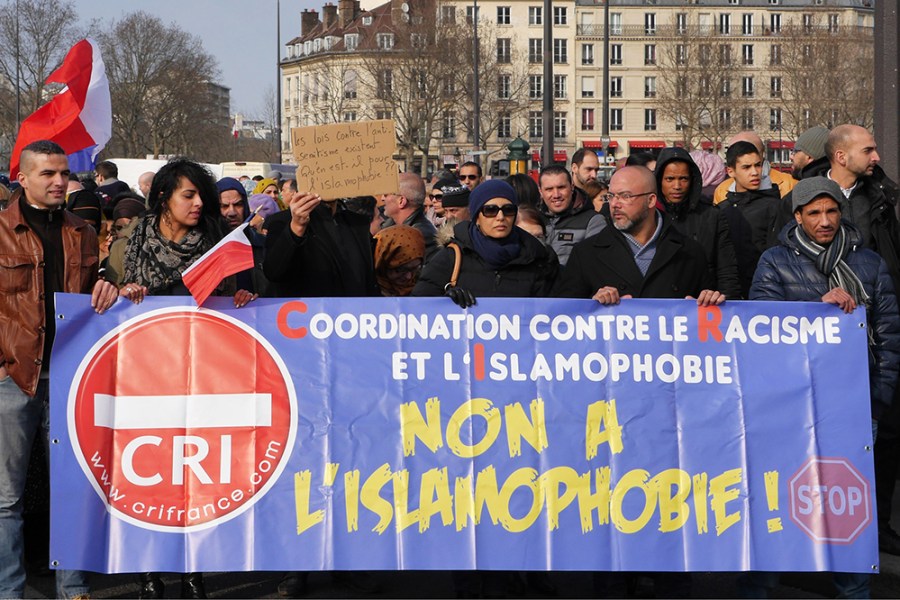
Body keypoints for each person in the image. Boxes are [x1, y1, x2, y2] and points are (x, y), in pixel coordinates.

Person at [747, 176, 900, 598]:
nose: (824, 220)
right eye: (813, 212)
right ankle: (757, 588)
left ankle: (855, 591)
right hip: (791, 410)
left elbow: (889, 337)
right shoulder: (774, 262)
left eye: (831, 210)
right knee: (775, 507)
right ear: (797, 217)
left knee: (847, 512)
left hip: (853, 411)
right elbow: (764, 327)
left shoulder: (868, 264)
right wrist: (817, 310)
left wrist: (876, 400)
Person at [0, 140, 121, 600]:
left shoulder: (82, 231)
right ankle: (9, 591)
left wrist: (107, 286)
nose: (59, 181)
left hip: (70, 377)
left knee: (73, 489)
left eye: (64, 173)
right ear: (23, 178)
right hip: (12, 378)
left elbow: (91, 290)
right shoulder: (1, 228)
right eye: (48, 173)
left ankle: (75, 588)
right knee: (5, 499)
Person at [556, 166, 724, 307]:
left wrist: (708, 303)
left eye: (625, 196)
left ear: (651, 200)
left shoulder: (690, 252)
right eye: (611, 196)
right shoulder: (586, 254)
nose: (615, 204)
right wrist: (591, 305)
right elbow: (566, 318)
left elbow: (708, 321)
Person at [413, 179, 559, 305]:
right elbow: (419, 306)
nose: (500, 217)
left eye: (508, 210)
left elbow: (556, 313)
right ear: (476, 216)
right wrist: (445, 301)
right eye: (490, 210)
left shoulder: (538, 257)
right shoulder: (452, 256)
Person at [655, 147, 741, 298]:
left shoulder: (712, 216)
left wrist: (728, 304)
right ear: (659, 180)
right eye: (670, 179)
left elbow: (726, 269)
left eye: (683, 179)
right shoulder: (650, 215)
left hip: (704, 304)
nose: (677, 186)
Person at [263, 188, 378, 298]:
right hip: (310, 314)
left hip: (356, 314)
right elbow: (274, 272)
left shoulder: (357, 223)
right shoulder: (283, 221)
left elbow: (369, 279)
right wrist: (296, 227)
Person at [718, 141, 781, 298]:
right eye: (746, 167)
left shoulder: (776, 206)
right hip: (728, 295)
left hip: (764, 293)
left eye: (758, 165)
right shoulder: (721, 209)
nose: (754, 172)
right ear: (731, 171)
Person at [538, 164, 606, 267]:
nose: (556, 195)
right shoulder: (534, 219)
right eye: (549, 189)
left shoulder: (593, 221)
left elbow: (595, 265)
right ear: (541, 192)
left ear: (572, 187)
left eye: (561, 187)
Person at [713, 131, 797, 204]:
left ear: (762, 153)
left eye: (752, 150)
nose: (754, 172)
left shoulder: (790, 184)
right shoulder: (722, 190)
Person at [380, 173, 438, 262]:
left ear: (401, 201)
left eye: (386, 194)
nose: (382, 198)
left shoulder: (420, 236)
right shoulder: (390, 227)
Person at [374, 225, 426, 296]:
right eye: (401, 269)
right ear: (382, 263)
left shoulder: (425, 286)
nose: (409, 277)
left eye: (415, 268)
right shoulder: (365, 291)